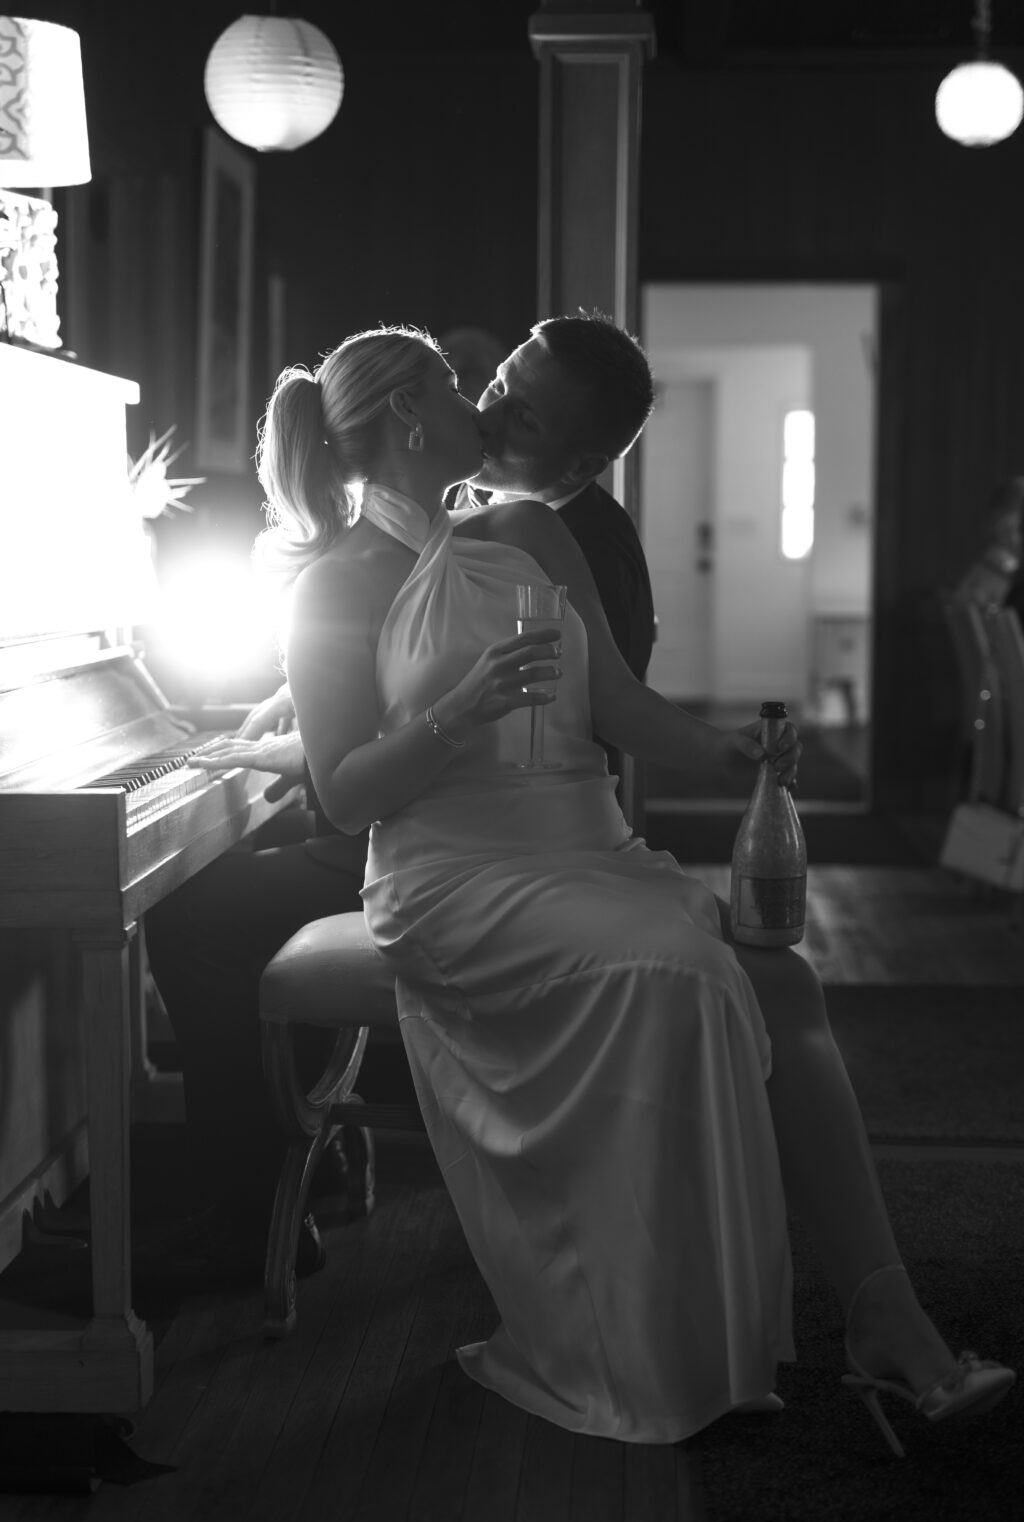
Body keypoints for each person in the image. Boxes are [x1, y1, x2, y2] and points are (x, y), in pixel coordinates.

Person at [254, 319, 1015, 1447]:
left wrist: (729, 753)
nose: (482, 400)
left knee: (785, 981)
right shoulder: (333, 585)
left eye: (496, 387)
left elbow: (612, 699)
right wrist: (459, 712)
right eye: (462, 383)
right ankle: (654, 1333)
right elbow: (346, 794)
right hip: (454, 877)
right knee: (686, 969)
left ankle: (883, 1313)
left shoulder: (527, 531)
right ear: (410, 417)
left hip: (584, 849)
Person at [143, 312, 660, 1281]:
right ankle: (310, 1163)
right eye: (482, 386)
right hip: (434, 826)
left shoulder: (544, 532)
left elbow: (565, 717)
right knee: (225, 894)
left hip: (475, 852)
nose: (488, 409)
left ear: (579, 457)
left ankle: (255, 1197)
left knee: (193, 917)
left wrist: (323, 745)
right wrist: (308, 720)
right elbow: (415, 675)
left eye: (509, 402)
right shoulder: (463, 526)